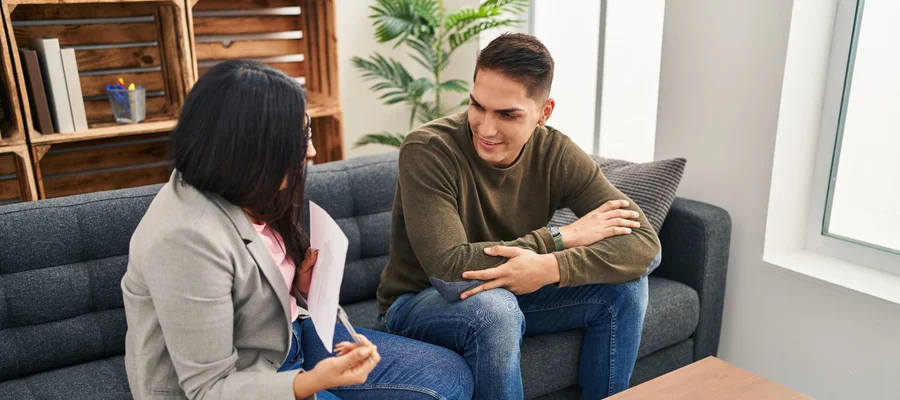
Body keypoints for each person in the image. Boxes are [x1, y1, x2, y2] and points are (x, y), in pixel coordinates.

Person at [121, 59, 473, 400]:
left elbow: (256, 286)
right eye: (301, 137)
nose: (312, 149)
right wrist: (309, 383)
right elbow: (209, 389)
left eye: (306, 130)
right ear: (250, 148)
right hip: (249, 376)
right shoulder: (186, 239)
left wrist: (300, 288)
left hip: (291, 338)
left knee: (451, 378)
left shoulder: (248, 188)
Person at [375, 33, 662, 399]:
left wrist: (549, 268)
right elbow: (449, 270)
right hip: (417, 303)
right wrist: (561, 238)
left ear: (544, 113)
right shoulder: (428, 149)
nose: (485, 128)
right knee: (495, 310)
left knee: (627, 287)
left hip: (510, 286)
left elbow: (645, 246)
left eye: (507, 114)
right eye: (477, 106)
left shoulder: (556, 153)